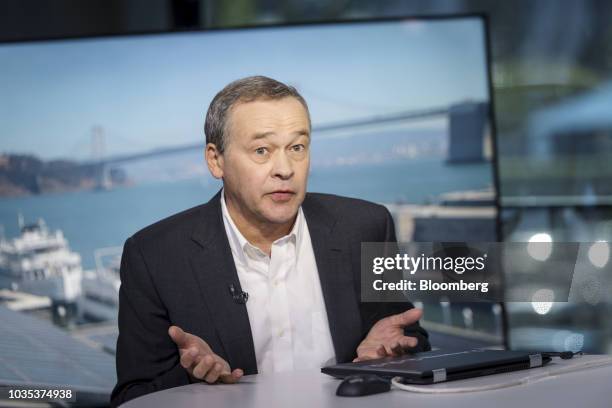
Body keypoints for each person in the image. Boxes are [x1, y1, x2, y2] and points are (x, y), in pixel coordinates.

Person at [110, 76, 430, 407]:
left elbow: (408, 339)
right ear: (215, 160)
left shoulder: (365, 227)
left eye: (297, 148)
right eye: (262, 150)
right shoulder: (154, 256)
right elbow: (133, 396)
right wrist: (193, 381)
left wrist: (390, 356)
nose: (285, 169)